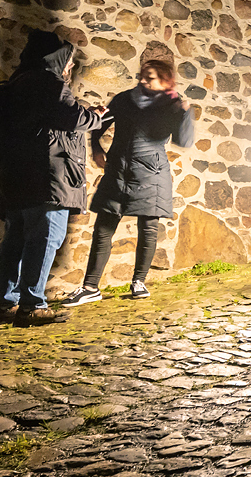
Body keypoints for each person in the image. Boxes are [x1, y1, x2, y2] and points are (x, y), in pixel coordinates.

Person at [0, 29, 106, 327]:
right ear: (57, 59)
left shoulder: (17, 83)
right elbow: (72, 118)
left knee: (14, 239)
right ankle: (33, 306)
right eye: (68, 63)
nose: (69, 69)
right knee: (45, 238)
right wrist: (95, 116)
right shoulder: (47, 82)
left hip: (13, 175)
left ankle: (5, 305)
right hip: (46, 175)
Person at [58, 59, 195, 306]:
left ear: (165, 81)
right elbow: (100, 123)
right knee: (103, 227)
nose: (143, 81)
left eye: (150, 77)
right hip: (119, 167)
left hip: (151, 171)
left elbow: (183, 141)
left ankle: (138, 281)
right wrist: (96, 147)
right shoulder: (124, 99)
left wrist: (186, 115)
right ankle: (90, 287)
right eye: (142, 75)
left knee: (149, 227)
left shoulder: (173, 105)